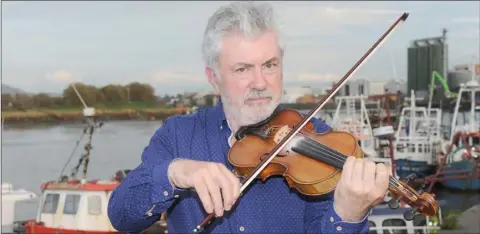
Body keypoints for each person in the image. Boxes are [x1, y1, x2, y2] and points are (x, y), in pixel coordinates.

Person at [107, 2, 390, 233]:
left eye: (269, 65)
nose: (260, 82)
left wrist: (349, 212)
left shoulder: (320, 138)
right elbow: (122, 216)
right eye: (242, 69)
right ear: (214, 79)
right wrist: (175, 172)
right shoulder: (178, 135)